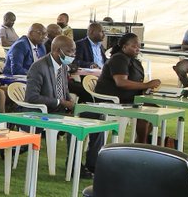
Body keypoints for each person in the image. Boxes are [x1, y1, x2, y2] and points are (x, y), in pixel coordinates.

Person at [26, 35, 103, 175]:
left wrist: (70, 103)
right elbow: (31, 97)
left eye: (74, 51)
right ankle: (74, 166)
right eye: (70, 52)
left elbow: (64, 90)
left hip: (63, 109)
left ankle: (94, 163)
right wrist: (60, 102)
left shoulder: (62, 66)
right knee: (75, 123)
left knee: (98, 116)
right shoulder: (38, 67)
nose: (73, 55)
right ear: (57, 50)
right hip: (44, 112)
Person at [95, 32, 161, 141]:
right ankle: (141, 143)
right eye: (134, 46)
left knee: (153, 109)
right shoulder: (118, 59)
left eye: (139, 47)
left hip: (126, 97)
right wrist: (146, 85)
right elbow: (121, 82)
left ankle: (140, 141)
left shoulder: (132, 60)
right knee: (147, 111)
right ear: (124, 47)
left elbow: (134, 81)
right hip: (112, 100)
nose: (137, 49)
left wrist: (146, 88)